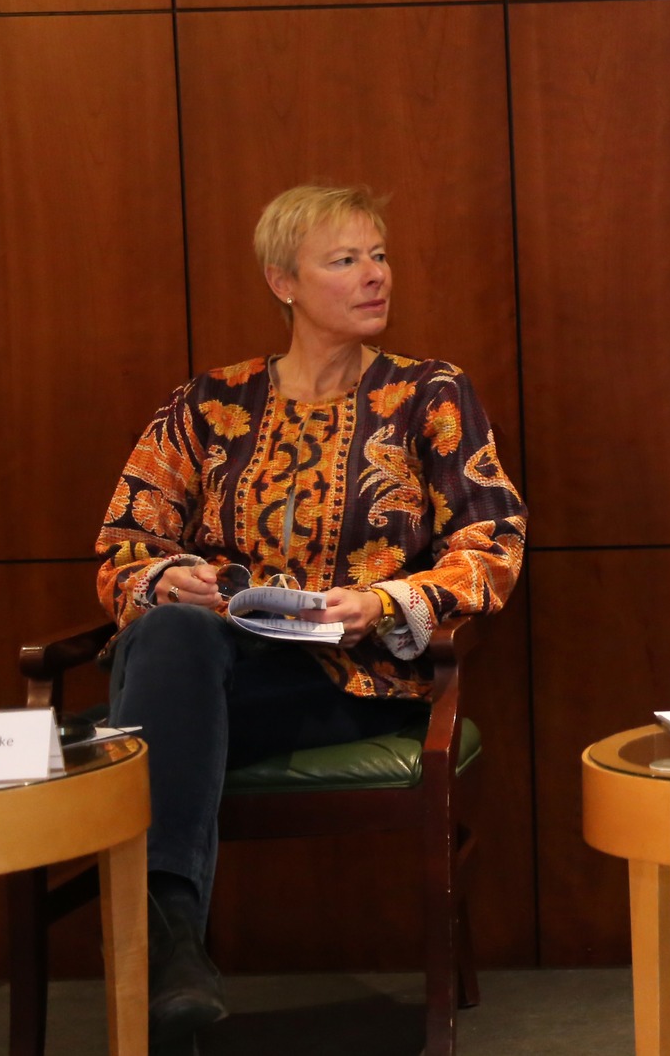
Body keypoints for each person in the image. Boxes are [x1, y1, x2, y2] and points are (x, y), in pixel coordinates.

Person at [95, 185, 526, 1048]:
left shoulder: (428, 394)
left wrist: (386, 600)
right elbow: (121, 546)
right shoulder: (208, 404)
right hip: (222, 668)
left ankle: (166, 948)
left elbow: (493, 541)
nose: (375, 275)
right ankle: (176, 947)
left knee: (140, 729)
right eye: (346, 260)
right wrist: (170, 579)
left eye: (379, 255)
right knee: (173, 631)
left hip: (355, 679)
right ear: (282, 281)